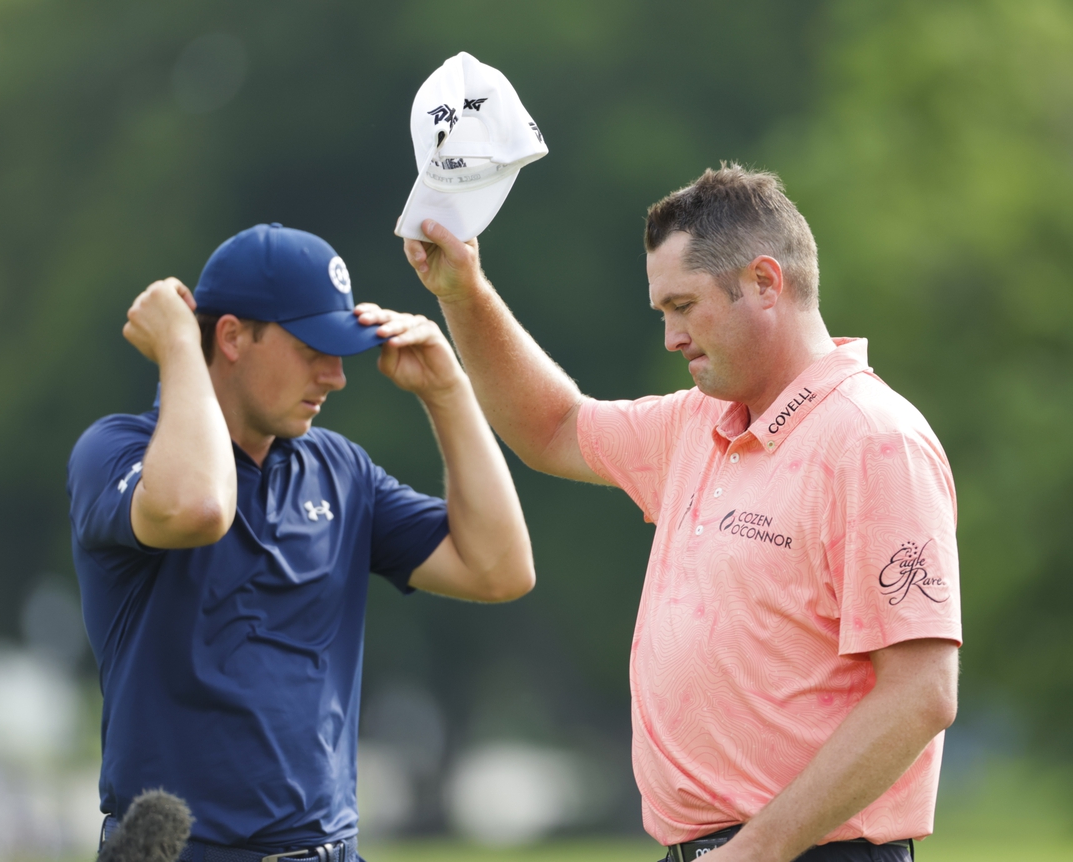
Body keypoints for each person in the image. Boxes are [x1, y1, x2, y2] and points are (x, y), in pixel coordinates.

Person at [402, 165, 961, 862]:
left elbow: (921, 694)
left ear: (764, 282)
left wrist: (758, 850)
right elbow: (552, 428)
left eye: (683, 306)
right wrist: (464, 294)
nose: (671, 338)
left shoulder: (875, 440)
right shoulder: (698, 424)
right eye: (662, 313)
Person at [68, 223, 534, 862]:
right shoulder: (116, 451)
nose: (335, 376)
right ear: (231, 336)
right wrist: (180, 347)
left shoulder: (340, 470)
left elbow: (500, 570)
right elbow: (199, 507)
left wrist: (448, 393)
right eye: (313, 346)